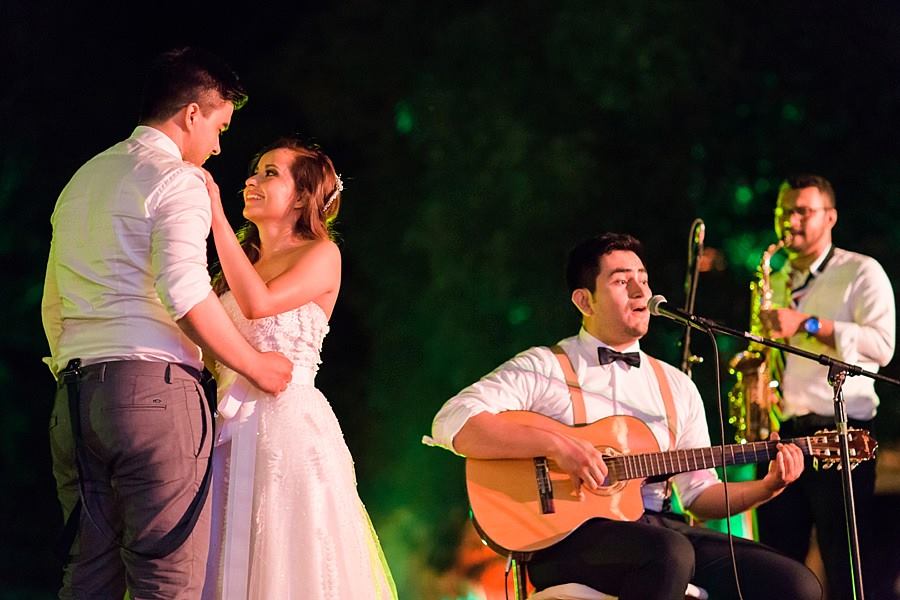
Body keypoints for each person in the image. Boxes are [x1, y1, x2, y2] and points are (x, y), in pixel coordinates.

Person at [427, 233, 823, 600]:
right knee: (669, 554)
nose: (640, 291)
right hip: (566, 538)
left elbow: (699, 495)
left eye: (644, 280)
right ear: (585, 301)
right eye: (621, 281)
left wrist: (768, 487)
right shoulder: (545, 367)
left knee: (795, 584)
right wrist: (558, 446)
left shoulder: (675, 385)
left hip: (661, 528)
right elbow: (453, 420)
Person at [41, 48, 294, 599]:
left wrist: (79, 373)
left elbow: (54, 306)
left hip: (75, 400)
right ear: (192, 114)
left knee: (86, 579)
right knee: (166, 584)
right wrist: (257, 367)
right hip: (153, 397)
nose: (219, 145)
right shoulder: (176, 180)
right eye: (220, 126)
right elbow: (181, 289)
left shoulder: (81, 181)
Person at [200, 138, 396, 599]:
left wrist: (215, 216)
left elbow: (259, 304)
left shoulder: (322, 254)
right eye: (255, 171)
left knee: (287, 562)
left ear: (305, 197)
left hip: (286, 430)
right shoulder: (240, 262)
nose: (252, 180)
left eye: (270, 173)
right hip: (226, 427)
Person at [757, 174, 895, 600]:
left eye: (803, 211)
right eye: (784, 212)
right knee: (776, 559)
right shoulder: (775, 280)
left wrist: (810, 325)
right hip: (786, 434)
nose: (790, 221)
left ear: (830, 217)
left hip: (842, 433)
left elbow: (883, 346)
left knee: (846, 561)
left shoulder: (860, 271)